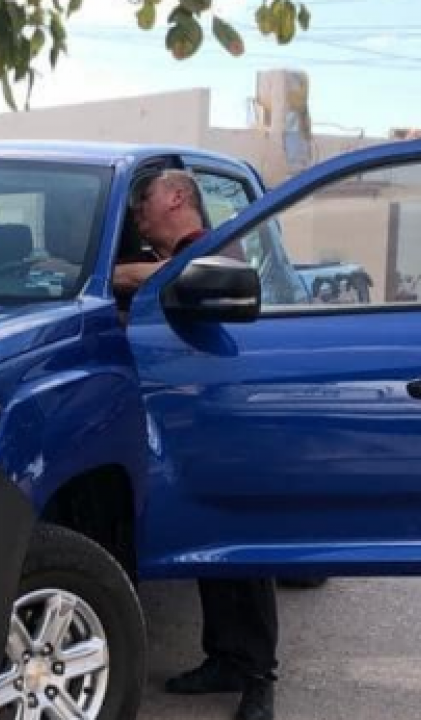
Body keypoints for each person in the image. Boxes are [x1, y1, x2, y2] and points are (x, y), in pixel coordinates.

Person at [116, 169, 280, 720]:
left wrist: (110, 275)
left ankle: (259, 677)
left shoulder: (218, 247)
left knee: (243, 546)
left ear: (178, 197)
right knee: (207, 540)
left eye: (145, 199)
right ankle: (225, 658)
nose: (138, 212)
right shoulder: (170, 258)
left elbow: (185, 279)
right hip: (187, 421)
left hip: (233, 416)